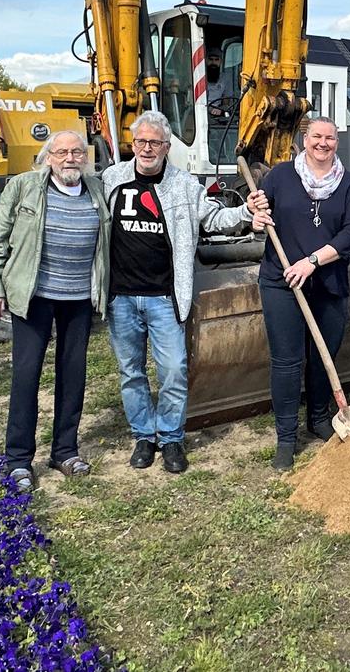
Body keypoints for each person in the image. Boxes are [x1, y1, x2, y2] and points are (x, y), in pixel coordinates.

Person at [103, 109, 268, 474]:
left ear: (166, 147)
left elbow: (214, 218)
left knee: (174, 369)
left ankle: (172, 438)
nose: (147, 149)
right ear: (134, 144)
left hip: (164, 296)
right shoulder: (111, 179)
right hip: (121, 296)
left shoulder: (184, 185)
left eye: (155, 143)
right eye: (141, 142)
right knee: (131, 371)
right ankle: (144, 436)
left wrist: (245, 213)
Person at [0, 130, 111, 491]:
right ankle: (19, 459)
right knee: (27, 376)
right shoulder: (24, 187)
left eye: (77, 152)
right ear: (48, 157)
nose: (71, 158)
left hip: (79, 299)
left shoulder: (97, 190)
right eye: (62, 152)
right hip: (34, 297)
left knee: (73, 375)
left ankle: (65, 451)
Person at [252, 117, 350, 471]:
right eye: (316, 136)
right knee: (286, 362)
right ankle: (286, 438)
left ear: (337, 142)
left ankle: (318, 419)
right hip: (282, 281)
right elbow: (261, 216)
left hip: (328, 282)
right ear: (305, 139)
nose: (323, 143)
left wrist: (312, 262)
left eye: (330, 137)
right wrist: (255, 217)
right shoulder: (280, 176)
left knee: (323, 355)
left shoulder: (349, 185)